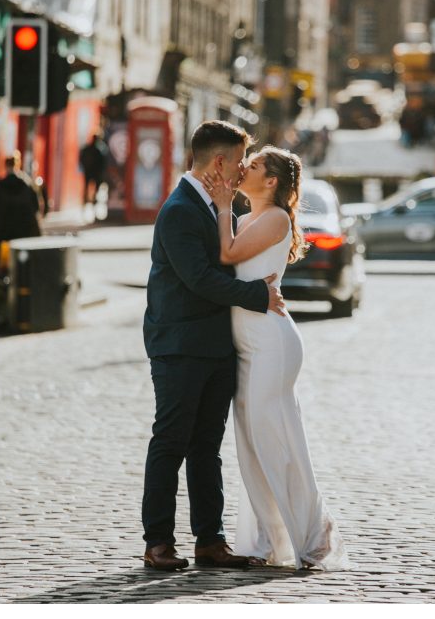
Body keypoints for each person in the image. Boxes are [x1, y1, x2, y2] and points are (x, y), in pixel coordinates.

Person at [141, 120, 286, 572]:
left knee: (207, 447)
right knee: (170, 442)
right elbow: (200, 279)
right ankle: (158, 543)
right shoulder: (180, 208)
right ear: (220, 162)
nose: (243, 170)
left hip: (216, 345)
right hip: (180, 345)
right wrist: (258, 296)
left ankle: (210, 540)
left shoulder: (211, 204)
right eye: (240, 160)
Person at [201, 146, 349, 570]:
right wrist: (228, 208)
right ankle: (270, 538)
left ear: (270, 182)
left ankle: (310, 536)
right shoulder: (248, 218)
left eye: (255, 164)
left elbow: (228, 255)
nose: (244, 166)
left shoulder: (275, 218)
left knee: (275, 439)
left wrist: (225, 203)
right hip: (246, 343)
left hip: (271, 342)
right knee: (250, 444)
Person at [0, 152, 43, 243]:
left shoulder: (0, 186)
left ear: (6, 166)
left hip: (5, 231)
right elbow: (37, 207)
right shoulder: (28, 184)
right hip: (26, 230)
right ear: (19, 165)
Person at [79, 130, 109, 205]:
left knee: (88, 187)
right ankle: (90, 201)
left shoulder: (90, 148)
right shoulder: (100, 149)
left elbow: (82, 158)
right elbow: (103, 162)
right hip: (95, 172)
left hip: (90, 171)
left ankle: (88, 201)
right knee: (93, 187)